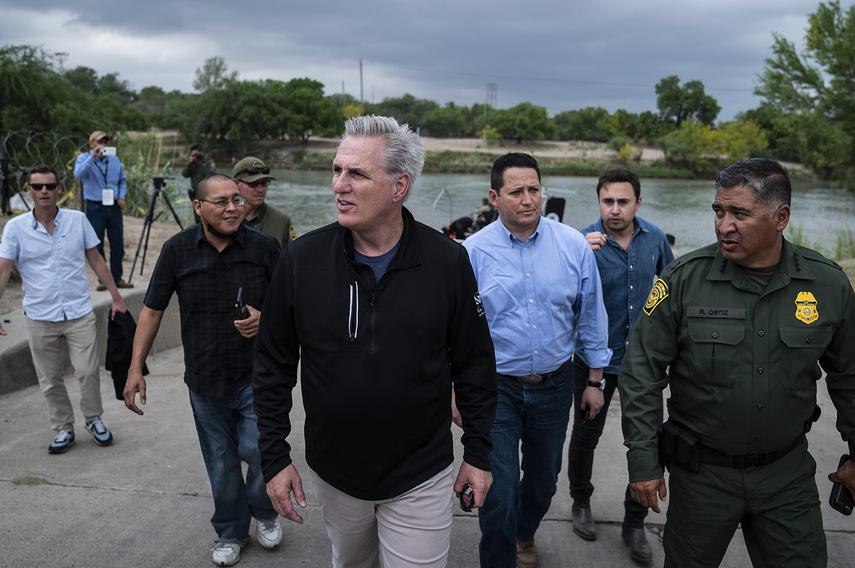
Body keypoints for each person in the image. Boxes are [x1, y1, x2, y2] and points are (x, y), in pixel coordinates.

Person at [253, 115, 497, 568]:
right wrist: (274, 458)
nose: (338, 186)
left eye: (357, 174)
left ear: (399, 186)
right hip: (335, 472)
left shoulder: (447, 262)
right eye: (336, 170)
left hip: (422, 471)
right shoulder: (301, 260)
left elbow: (475, 363)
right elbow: (271, 367)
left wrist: (479, 453)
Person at [620, 158, 855, 567]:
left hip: (786, 476)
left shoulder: (826, 283)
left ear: (781, 217)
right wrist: (643, 460)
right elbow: (641, 372)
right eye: (718, 211)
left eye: (739, 213)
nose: (724, 225)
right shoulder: (684, 279)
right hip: (703, 477)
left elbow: (852, 375)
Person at [122, 174, 283, 567]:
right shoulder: (177, 250)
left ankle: (264, 512)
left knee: (259, 450)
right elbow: (153, 309)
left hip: (255, 375)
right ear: (198, 207)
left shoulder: (265, 249)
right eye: (221, 202)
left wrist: (267, 318)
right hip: (204, 378)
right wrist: (135, 367)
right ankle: (230, 531)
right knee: (221, 460)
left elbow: (293, 307)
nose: (232, 208)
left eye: (236, 200)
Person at [463, 152, 611, 568]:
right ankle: (499, 558)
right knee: (499, 487)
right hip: (496, 389)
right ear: (494, 196)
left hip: (555, 383)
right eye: (516, 192)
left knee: (544, 482)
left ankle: (523, 533)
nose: (528, 199)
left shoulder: (572, 246)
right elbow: (452, 330)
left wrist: (595, 381)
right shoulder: (471, 253)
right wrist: (453, 391)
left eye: (534, 189)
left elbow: (591, 314)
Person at [568, 168, 673, 563]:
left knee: (646, 440)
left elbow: (670, 288)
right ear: (598, 201)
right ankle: (581, 501)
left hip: (644, 361)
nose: (614, 209)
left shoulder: (656, 239)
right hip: (594, 359)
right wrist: (578, 252)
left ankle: (634, 522)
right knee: (585, 436)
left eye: (623, 201)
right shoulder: (580, 242)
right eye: (607, 201)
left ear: (638, 203)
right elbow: (563, 297)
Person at [0, 164, 127, 453]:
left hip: (78, 312)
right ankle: (63, 427)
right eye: (37, 186)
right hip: (39, 315)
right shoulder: (16, 228)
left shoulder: (77, 220)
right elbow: (4, 270)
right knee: (49, 378)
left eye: (49, 186)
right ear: (28, 190)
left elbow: (95, 259)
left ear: (59, 189)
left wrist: (116, 297)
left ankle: (94, 419)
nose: (44, 191)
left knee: (87, 370)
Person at [73, 130, 132, 289]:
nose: (103, 145)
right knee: (97, 244)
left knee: (117, 244)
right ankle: (103, 279)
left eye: (105, 142)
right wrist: (92, 156)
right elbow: (78, 175)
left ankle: (117, 277)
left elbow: (122, 180)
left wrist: (121, 196)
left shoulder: (114, 160)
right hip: (95, 206)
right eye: (99, 142)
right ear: (91, 143)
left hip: (113, 206)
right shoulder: (84, 159)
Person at [232, 156, 295, 248]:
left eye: (264, 183)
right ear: (236, 184)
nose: (260, 189)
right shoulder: (224, 217)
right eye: (253, 184)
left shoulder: (282, 222)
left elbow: (293, 258)